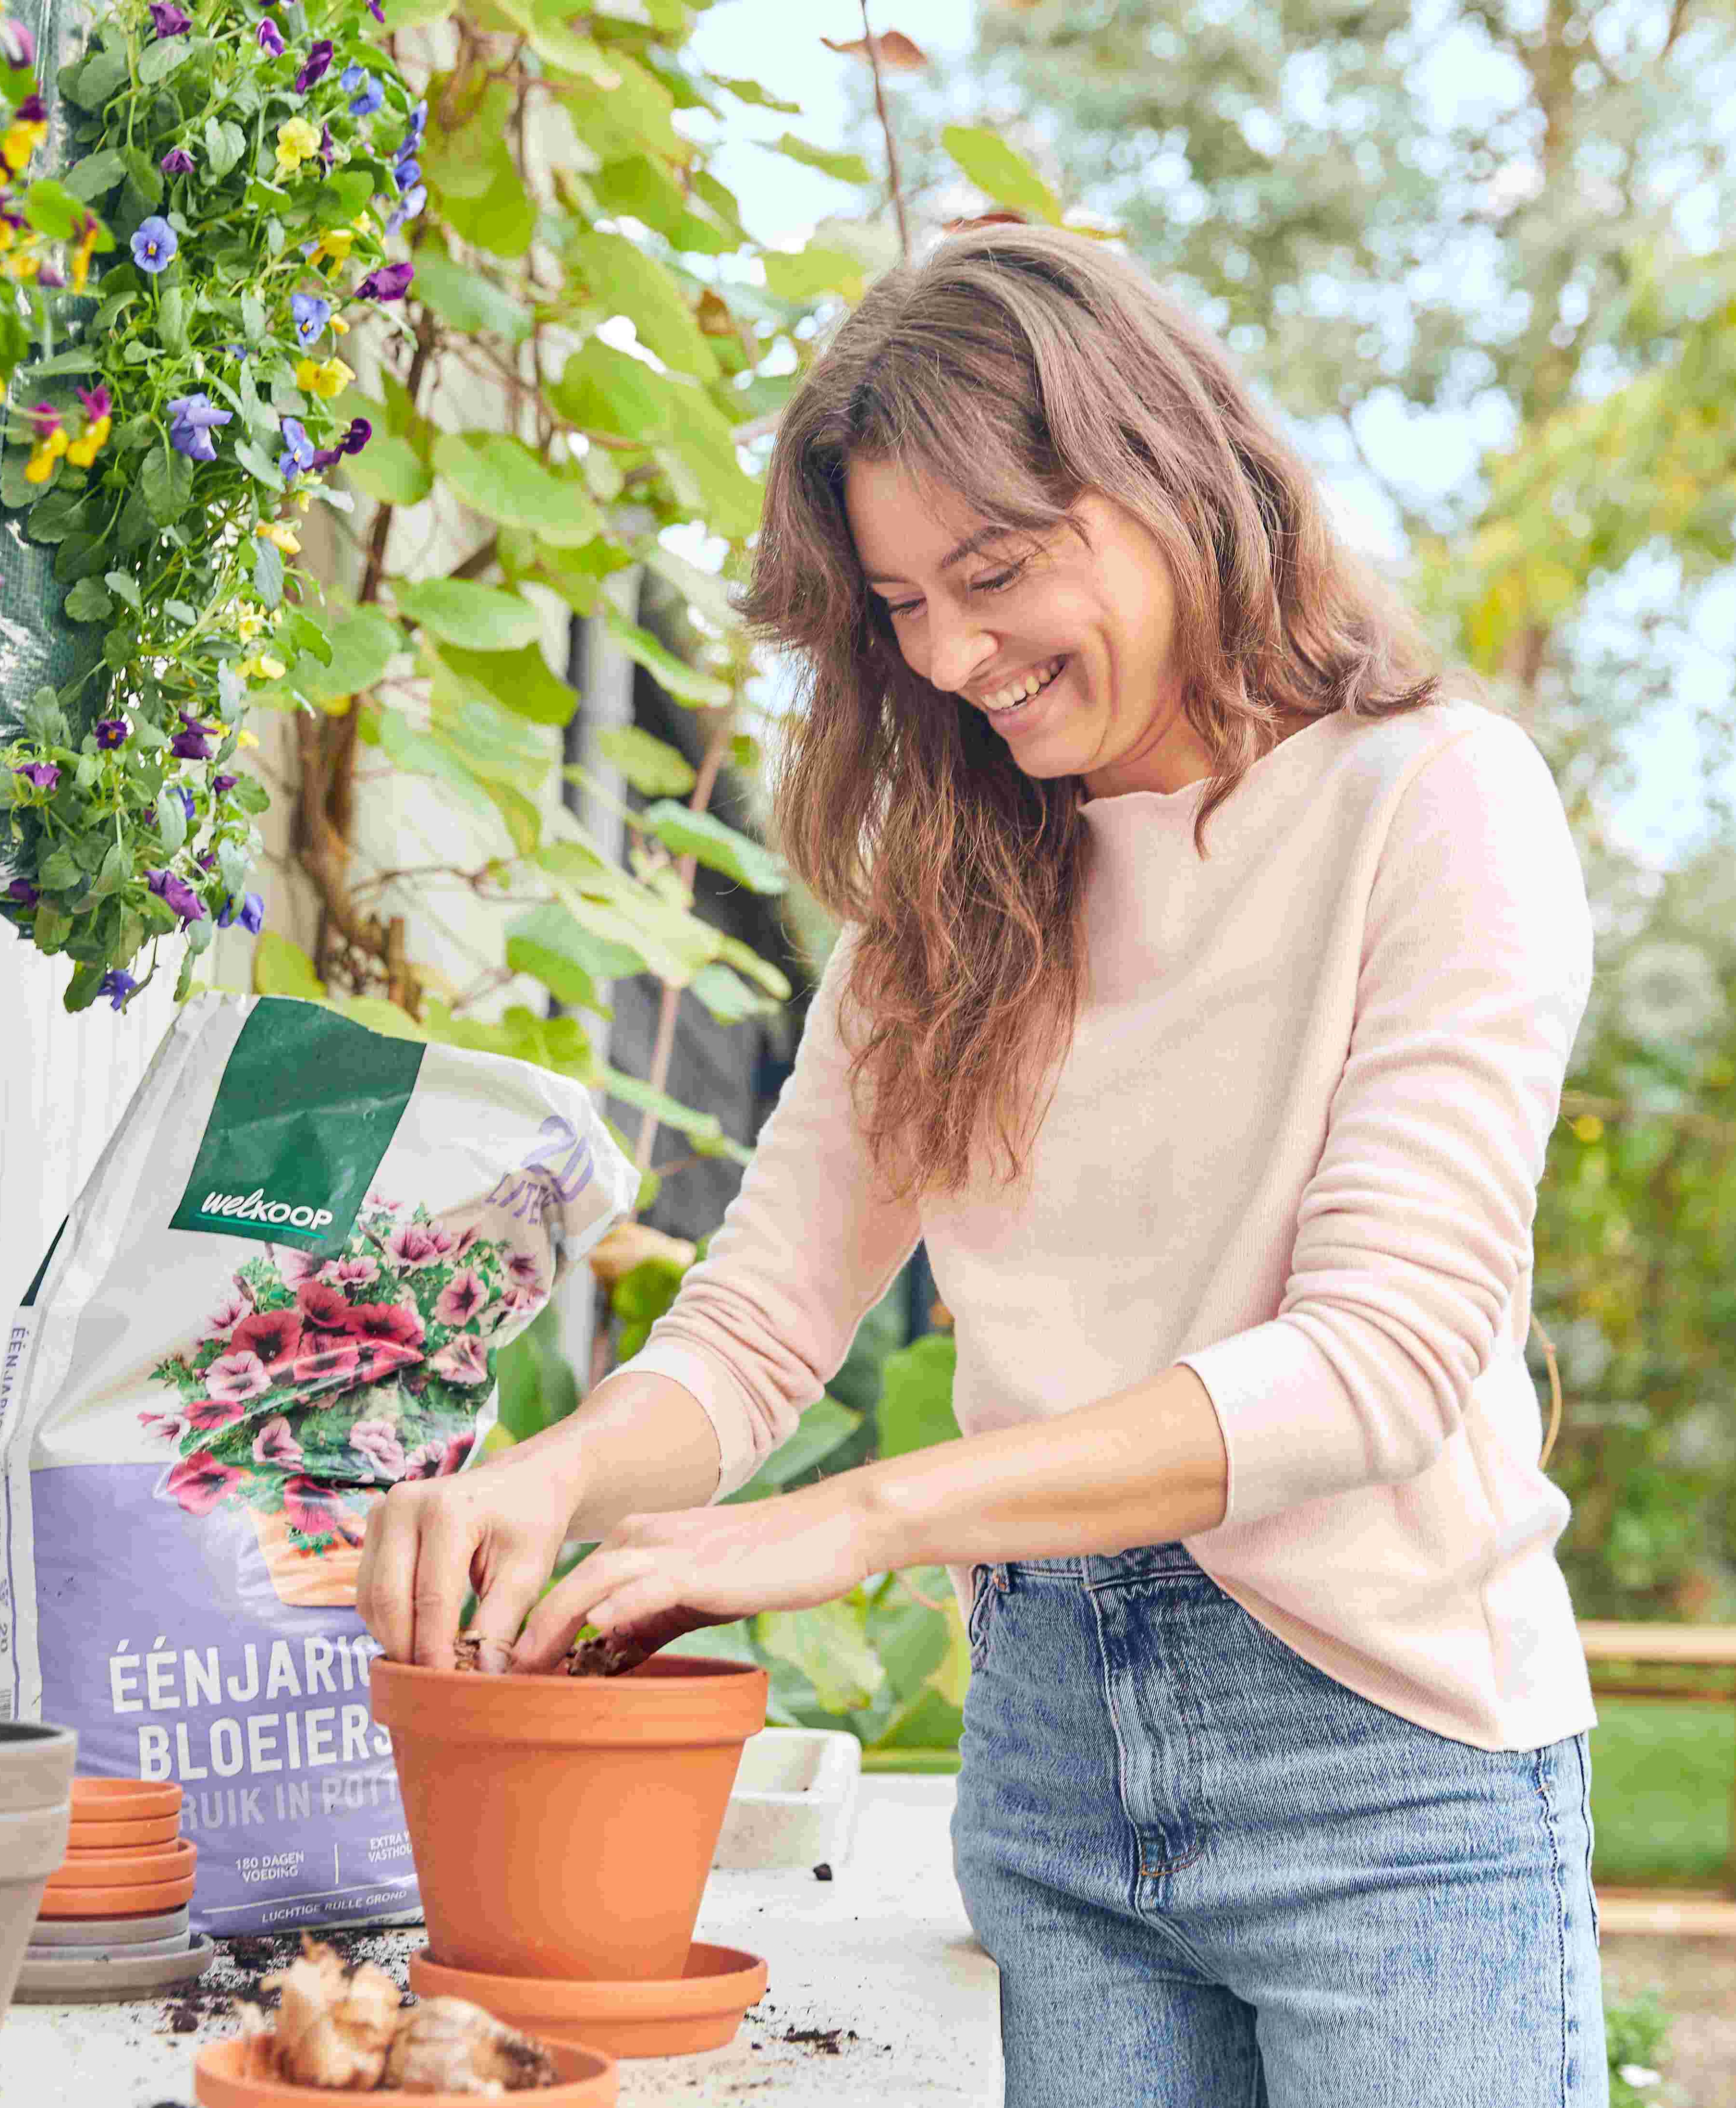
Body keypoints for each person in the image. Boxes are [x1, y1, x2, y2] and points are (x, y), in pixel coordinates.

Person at [357, 221, 1604, 2108]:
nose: (948, 657)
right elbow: (756, 1328)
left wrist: (868, 1516)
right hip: (1053, 1762)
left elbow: (1382, 1357)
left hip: (1390, 1770)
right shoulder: (949, 892)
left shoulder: (1429, 800)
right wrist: (553, 1473)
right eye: (899, 607)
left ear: (1172, 476)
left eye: (996, 573)